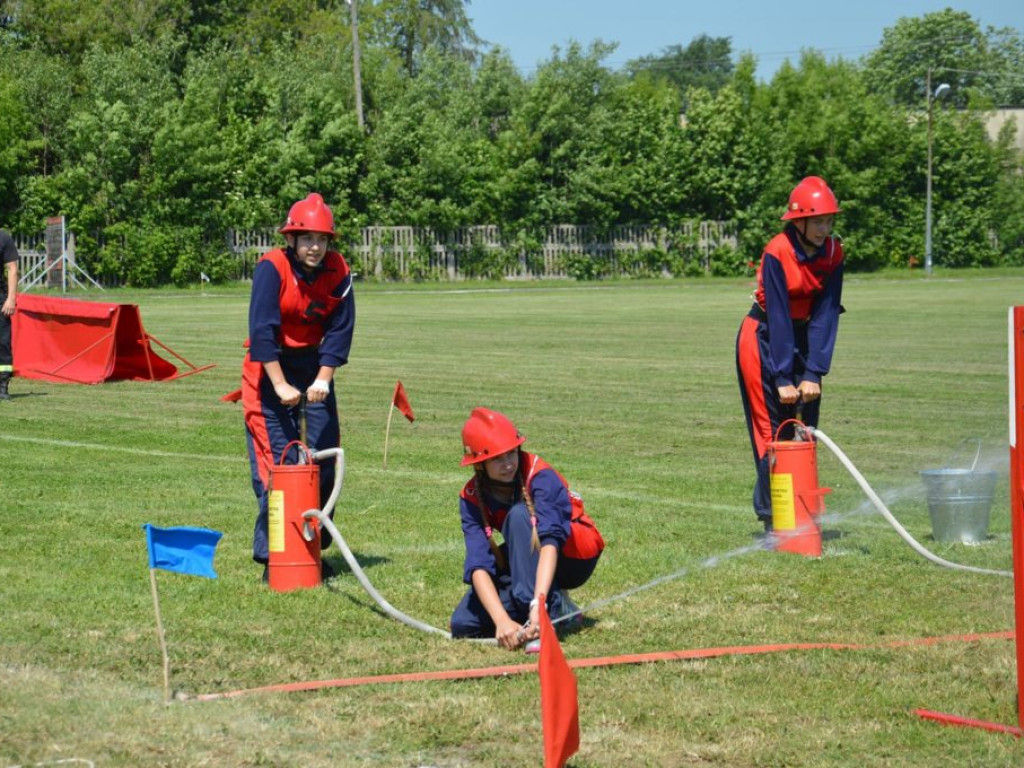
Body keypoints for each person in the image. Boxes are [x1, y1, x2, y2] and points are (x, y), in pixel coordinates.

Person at [242, 193, 355, 576]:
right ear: (290, 239)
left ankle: (311, 546)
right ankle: (273, 556)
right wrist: (279, 384)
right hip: (268, 367)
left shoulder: (338, 271)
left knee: (322, 460)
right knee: (281, 464)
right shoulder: (271, 268)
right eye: (306, 238)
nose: (315, 247)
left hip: (314, 365)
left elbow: (340, 329)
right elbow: (262, 331)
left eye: (321, 239)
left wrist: (323, 378)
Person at [736, 176, 845, 532]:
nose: (824, 228)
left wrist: (814, 372)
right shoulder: (777, 251)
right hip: (764, 336)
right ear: (798, 221)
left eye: (829, 221)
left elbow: (827, 312)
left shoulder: (833, 252)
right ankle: (774, 519)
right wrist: (783, 376)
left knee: (805, 429)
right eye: (818, 221)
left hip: (802, 336)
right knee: (772, 431)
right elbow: (779, 312)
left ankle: (803, 511)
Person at [450, 407, 604, 650]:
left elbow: (550, 542)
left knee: (519, 515)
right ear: (479, 465)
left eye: (511, 453)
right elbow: (479, 563)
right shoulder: (470, 497)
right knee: (464, 625)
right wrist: (501, 620)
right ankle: (543, 608)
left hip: (572, 554)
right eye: (497, 458)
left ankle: (546, 614)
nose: (508, 464)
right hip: (528, 553)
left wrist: (538, 606)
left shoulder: (540, 476)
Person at [0, 229, 18, 401]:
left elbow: (12, 269)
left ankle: (3, 386)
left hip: (0, 299)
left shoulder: (3, 238)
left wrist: (11, 299)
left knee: (2, 344)